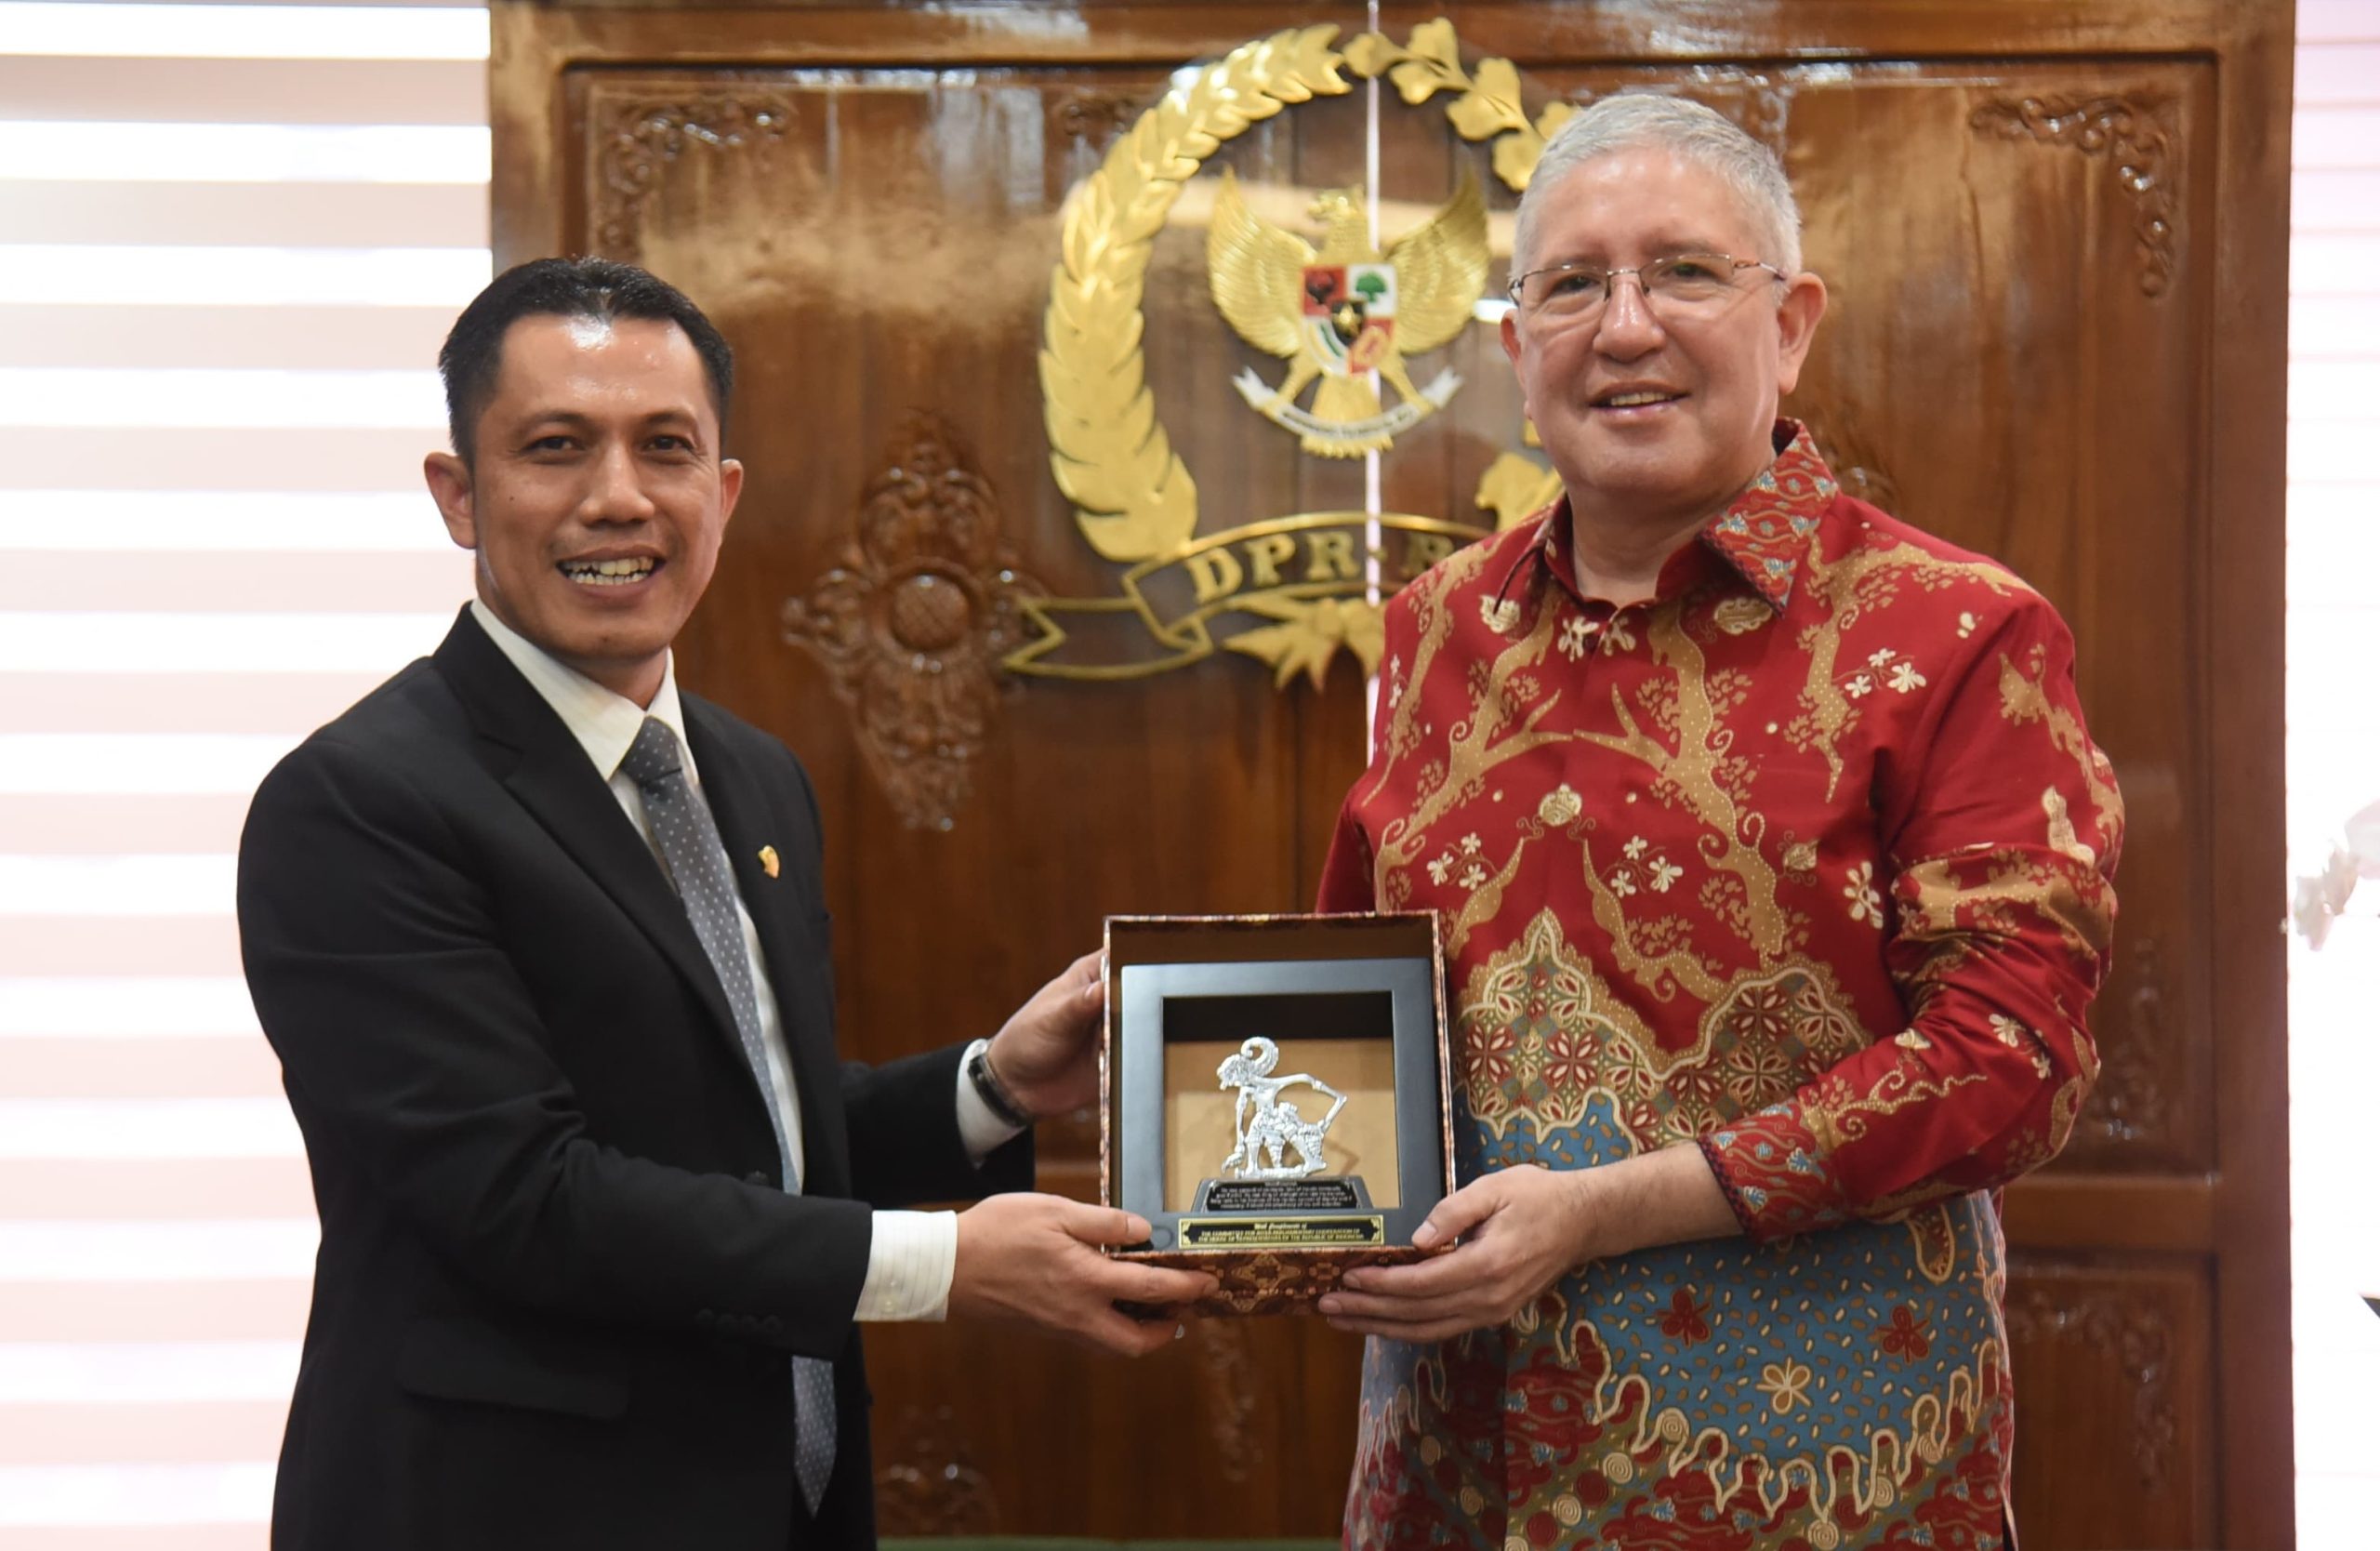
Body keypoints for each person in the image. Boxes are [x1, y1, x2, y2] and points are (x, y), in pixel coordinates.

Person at [235, 257, 1211, 1551]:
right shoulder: (357, 805)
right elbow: (526, 1199)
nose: (619, 498)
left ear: (725, 492)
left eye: (666, 448)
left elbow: (745, 1143)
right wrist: (942, 1266)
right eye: (555, 447)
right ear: (459, 495)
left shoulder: (751, 777)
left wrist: (991, 1088)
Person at [1311, 95, 2122, 1549]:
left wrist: (1606, 1209)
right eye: (1570, 284)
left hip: (1814, 1484)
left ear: (1791, 321)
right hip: (1452, 1475)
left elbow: (2013, 1061)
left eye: (1684, 272)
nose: (1624, 329)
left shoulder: (1955, 631)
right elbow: (1355, 997)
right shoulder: (1436, 630)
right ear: (1515, 347)